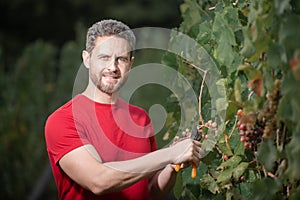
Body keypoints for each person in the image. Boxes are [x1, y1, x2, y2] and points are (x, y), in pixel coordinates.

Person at [45, 19, 203, 200]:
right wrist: (169, 154)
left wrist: (172, 165)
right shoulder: (63, 120)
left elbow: (150, 191)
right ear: (87, 59)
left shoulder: (140, 118)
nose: (112, 67)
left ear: (131, 64)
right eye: (104, 57)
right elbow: (99, 181)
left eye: (121, 59)